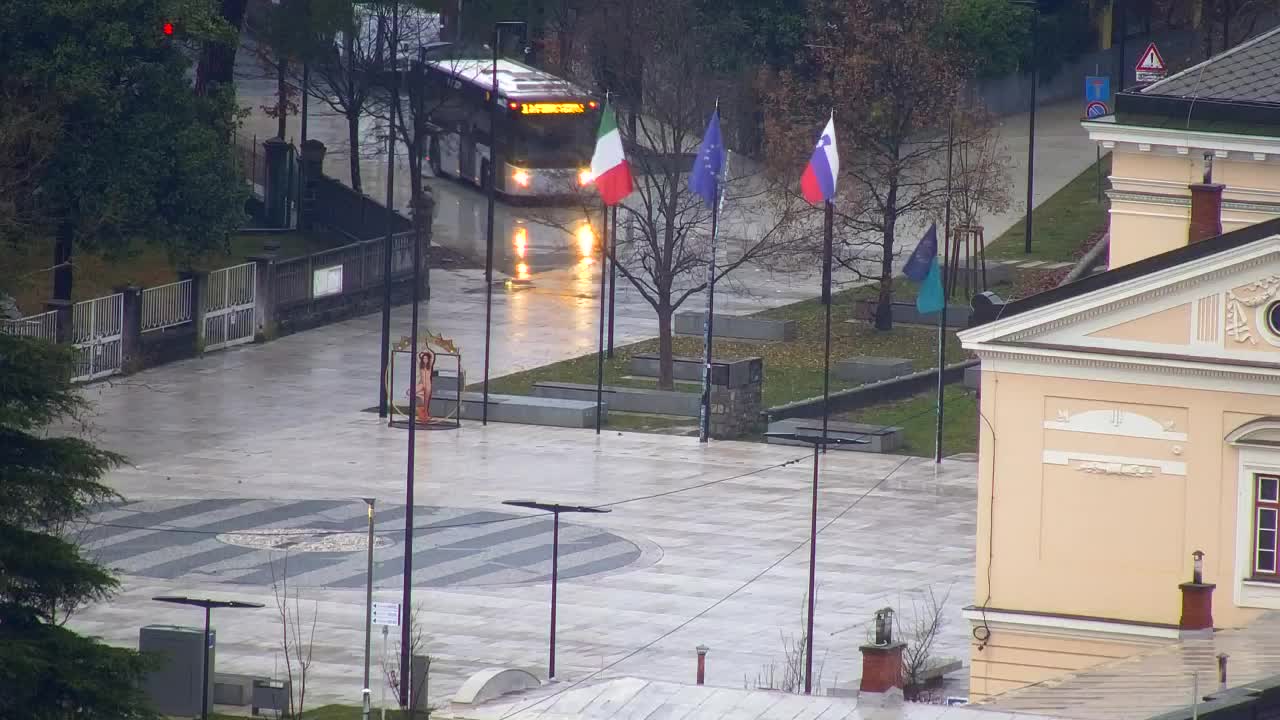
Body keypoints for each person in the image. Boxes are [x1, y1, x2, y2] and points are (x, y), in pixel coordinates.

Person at [415, 348, 435, 424]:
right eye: (423, 358)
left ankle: (425, 415)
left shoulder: (430, 365)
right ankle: (421, 411)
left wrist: (428, 349)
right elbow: (417, 355)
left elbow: (432, 355)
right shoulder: (420, 365)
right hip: (422, 383)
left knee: (426, 401)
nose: (425, 359)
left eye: (426, 358)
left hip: (428, 384)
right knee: (415, 394)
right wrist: (423, 350)